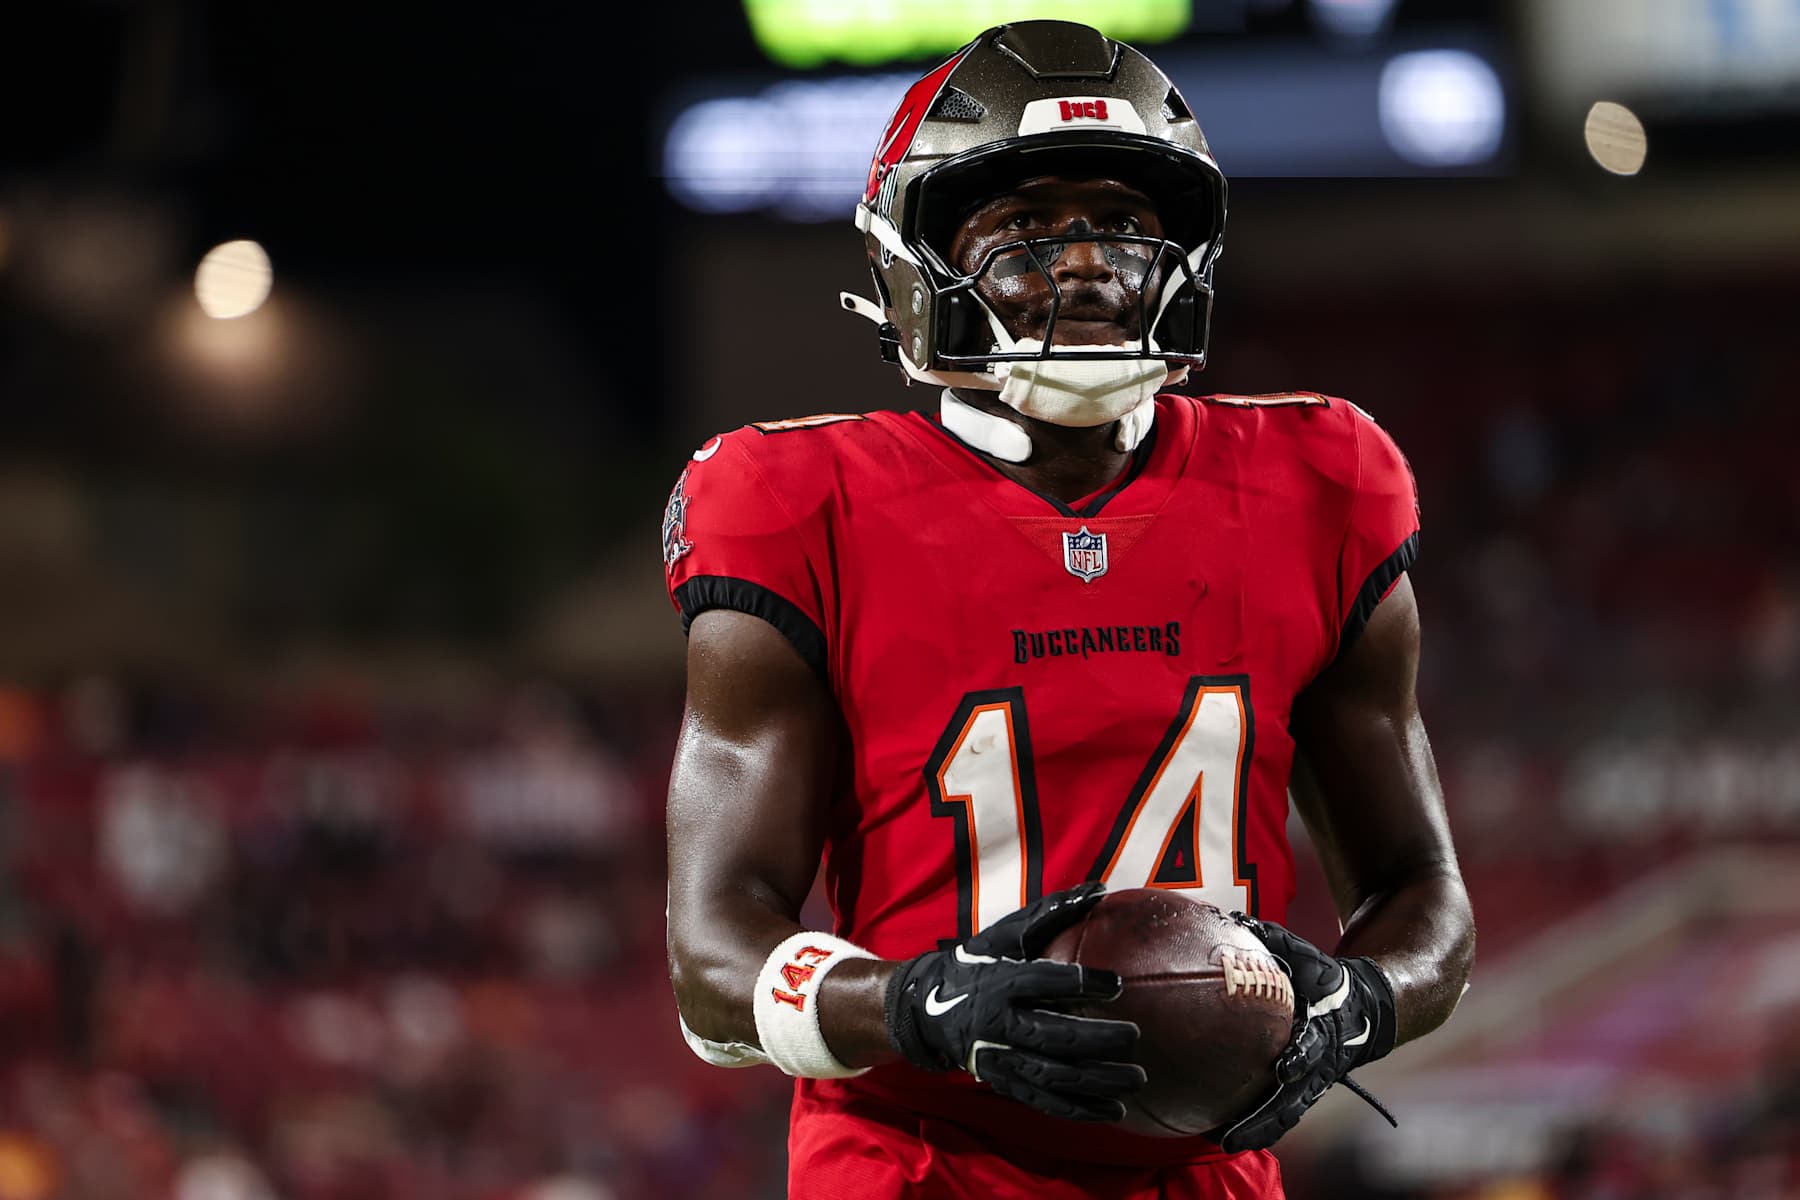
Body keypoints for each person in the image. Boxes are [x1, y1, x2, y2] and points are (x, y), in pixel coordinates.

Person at [661, 20, 1474, 1199]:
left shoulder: (1320, 479)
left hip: (1207, 1166)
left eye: (1125, 226)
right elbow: (711, 968)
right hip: (915, 1158)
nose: (1088, 263)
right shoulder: (794, 503)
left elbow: (1423, 893)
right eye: (1028, 228)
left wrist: (1353, 1008)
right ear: (913, 258)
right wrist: (915, 1002)